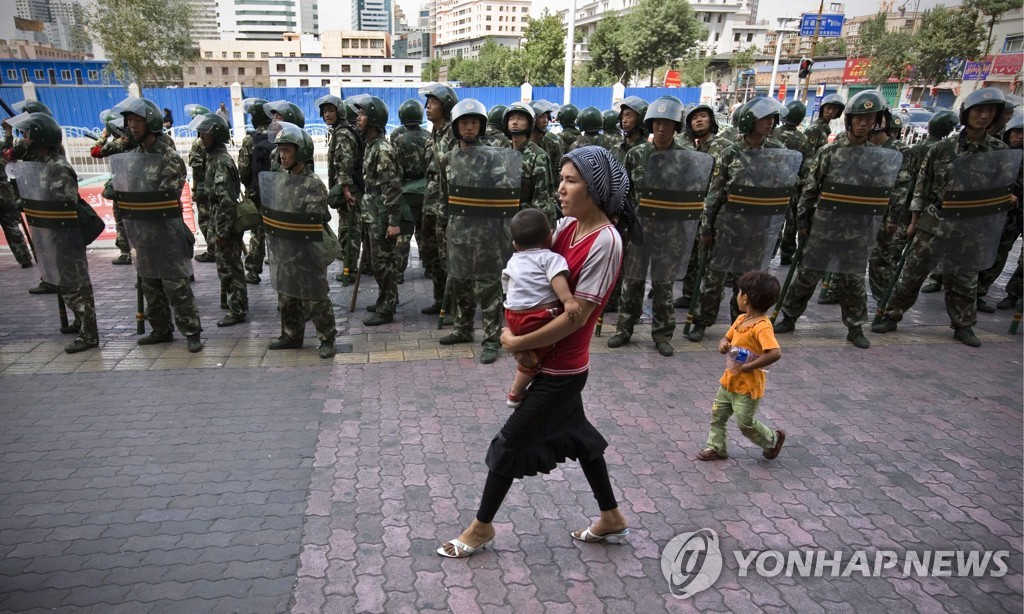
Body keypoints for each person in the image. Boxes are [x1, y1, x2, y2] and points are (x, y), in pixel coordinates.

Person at [437, 145, 636, 559]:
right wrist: (513, 323)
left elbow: (578, 316)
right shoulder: (564, 228)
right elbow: (529, 279)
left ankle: (480, 528)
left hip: (562, 367)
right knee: (579, 439)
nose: (560, 189)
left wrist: (515, 342)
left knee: (508, 444)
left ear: (595, 188)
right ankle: (612, 517)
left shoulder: (606, 241)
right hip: (545, 359)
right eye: (562, 179)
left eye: (571, 180)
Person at [873, 88, 1016, 347]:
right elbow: (922, 186)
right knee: (912, 275)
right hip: (934, 223)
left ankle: (963, 325)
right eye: (978, 111)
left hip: (971, 229)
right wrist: (914, 221)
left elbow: (1002, 187)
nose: (983, 116)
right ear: (966, 113)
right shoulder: (942, 148)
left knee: (964, 280)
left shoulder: (999, 150)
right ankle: (890, 316)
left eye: (989, 112)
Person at [773, 90, 902, 349]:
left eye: (870, 118)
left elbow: (885, 194)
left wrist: (885, 220)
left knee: (852, 279)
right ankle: (789, 316)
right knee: (807, 275)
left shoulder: (878, 157)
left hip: (857, 229)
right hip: (825, 226)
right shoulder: (829, 152)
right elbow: (810, 190)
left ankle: (855, 326)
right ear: (850, 120)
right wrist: (803, 223)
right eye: (859, 118)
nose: (864, 123)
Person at [116, 96, 204, 353]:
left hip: (166, 232)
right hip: (141, 233)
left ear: (151, 122)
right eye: (130, 120)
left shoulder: (169, 158)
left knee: (175, 285)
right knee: (149, 284)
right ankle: (161, 329)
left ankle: (191, 331)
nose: (132, 125)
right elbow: (119, 187)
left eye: (138, 120)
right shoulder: (131, 157)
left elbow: (168, 192)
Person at [8, 112, 99, 354]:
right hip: (53, 234)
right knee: (66, 284)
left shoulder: (58, 167)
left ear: (40, 138)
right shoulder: (41, 162)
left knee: (75, 286)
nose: (24, 140)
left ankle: (89, 335)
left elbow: (64, 204)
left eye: (28, 135)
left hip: (65, 235)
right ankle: (81, 324)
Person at [263, 122, 338, 359]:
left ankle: (327, 338)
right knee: (286, 295)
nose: (281, 155)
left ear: (301, 152)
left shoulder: (313, 184)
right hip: (284, 248)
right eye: (280, 150)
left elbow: (311, 220)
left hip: (306, 249)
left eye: (287, 150)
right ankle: (291, 335)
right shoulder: (280, 178)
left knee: (315, 296)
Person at [697, 270, 785, 461]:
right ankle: (716, 447)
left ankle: (772, 440)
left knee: (745, 423)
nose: (736, 296)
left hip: (748, 386)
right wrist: (723, 344)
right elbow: (727, 338)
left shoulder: (762, 326)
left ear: (745, 298)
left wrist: (748, 367)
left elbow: (775, 353)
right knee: (717, 415)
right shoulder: (741, 319)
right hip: (729, 381)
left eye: (738, 292)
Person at [502, 208, 582, 408]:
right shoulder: (550, 258)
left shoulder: (513, 260)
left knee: (529, 346)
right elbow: (557, 279)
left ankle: (523, 348)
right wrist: (569, 300)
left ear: (515, 245)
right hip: (538, 316)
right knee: (537, 357)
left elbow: (506, 285)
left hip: (512, 315)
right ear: (550, 237)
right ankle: (515, 392)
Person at [189, 112, 248, 327]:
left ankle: (238, 309)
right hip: (219, 221)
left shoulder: (221, 162)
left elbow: (226, 201)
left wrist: (222, 232)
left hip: (225, 223)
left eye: (206, 133)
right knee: (227, 266)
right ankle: (234, 303)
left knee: (231, 268)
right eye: (201, 133)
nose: (202, 137)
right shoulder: (213, 158)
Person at [353, 96, 403, 326]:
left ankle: (387, 307)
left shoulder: (382, 149)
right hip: (372, 211)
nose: (357, 117)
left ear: (373, 119)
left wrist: (393, 221)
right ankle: (387, 298)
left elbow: (391, 186)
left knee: (383, 263)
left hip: (381, 213)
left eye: (362, 114)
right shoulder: (371, 146)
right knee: (378, 262)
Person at [418, 83, 459, 316]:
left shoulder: (453, 134)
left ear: (445, 106)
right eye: (427, 103)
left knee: (448, 254)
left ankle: (452, 303)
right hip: (431, 201)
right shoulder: (432, 135)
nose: (427, 107)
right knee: (430, 252)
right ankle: (439, 298)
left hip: (447, 202)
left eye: (432, 103)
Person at [390, 99, 429, 279]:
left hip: (406, 190)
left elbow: (396, 168)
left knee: (404, 233)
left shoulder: (397, 136)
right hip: (426, 188)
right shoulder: (429, 136)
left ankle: (398, 272)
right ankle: (429, 268)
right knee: (425, 232)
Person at [239, 97, 272, 284]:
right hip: (276, 192)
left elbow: (243, 169)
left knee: (257, 234)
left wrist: (248, 185)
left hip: (256, 193)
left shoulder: (250, 140)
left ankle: (252, 270)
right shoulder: (279, 133)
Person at [185, 104, 216, 264]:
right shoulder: (210, 140)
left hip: (204, 186)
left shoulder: (199, 143)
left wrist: (195, 188)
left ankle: (212, 250)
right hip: (212, 185)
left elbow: (196, 168)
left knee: (205, 220)